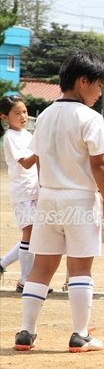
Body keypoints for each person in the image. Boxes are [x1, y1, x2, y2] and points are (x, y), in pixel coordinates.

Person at [14, 50, 104, 352]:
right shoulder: (91, 118)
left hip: (49, 198)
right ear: (83, 81)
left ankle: (26, 332)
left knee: (41, 267)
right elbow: (99, 165)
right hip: (79, 200)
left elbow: (40, 159)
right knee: (80, 268)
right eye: (98, 85)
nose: (99, 93)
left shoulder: (44, 116)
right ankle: (79, 334)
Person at [0, 96, 38, 292]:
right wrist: (42, 150)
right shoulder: (10, 137)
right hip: (22, 192)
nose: (23, 116)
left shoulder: (28, 135)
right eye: (17, 113)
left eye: (24, 111)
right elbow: (26, 162)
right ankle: (25, 280)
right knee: (29, 234)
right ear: (4, 117)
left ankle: (3, 263)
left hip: (36, 190)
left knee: (34, 235)